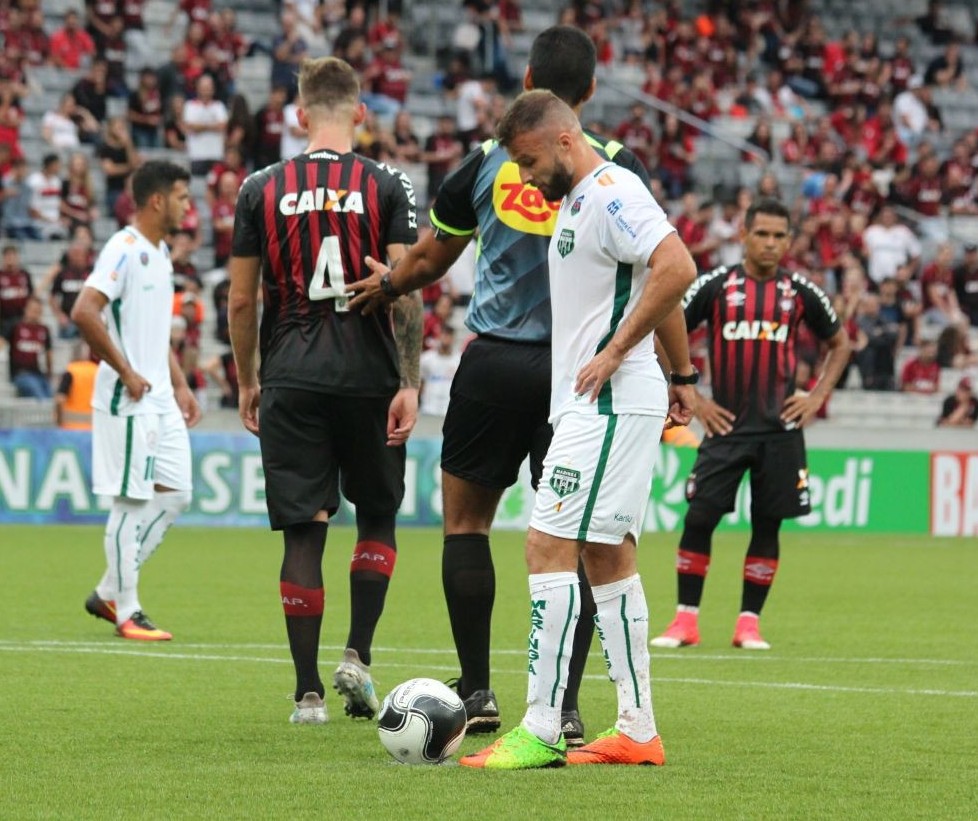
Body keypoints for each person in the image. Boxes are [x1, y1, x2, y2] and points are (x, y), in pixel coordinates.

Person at [346, 26, 654, 746]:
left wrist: (386, 281)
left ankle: (478, 687)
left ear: (525, 77)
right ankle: (569, 703)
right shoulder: (614, 165)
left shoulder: (486, 162)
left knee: (466, 523)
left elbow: (430, 257)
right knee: (574, 537)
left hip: (494, 364)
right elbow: (651, 264)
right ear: (589, 92)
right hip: (578, 371)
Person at [454, 89, 696, 769]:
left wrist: (618, 352)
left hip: (611, 399)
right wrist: (673, 374)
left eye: (529, 161)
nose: (525, 178)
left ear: (563, 139)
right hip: (601, 400)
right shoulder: (577, 201)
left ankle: (541, 723)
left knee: (544, 544)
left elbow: (676, 266)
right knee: (606, 555)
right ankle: (637, 728)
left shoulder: (613, 191)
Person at [227, 57, 422, 725]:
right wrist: (410, 380)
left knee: (304, 532)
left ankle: (307, 692)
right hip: (368, 376)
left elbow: (240, 299)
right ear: (361, 115)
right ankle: (358, 655)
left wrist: (249, 378)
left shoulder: (259, 187)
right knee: (377, 513)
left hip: (292, 375)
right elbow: (404, 289)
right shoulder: (389, 183)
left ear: (300, 115)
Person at [651, 198, 850, 652]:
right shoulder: (718, 285)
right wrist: (694, 396)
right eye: (762, 233)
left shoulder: (801, 290)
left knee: (768, 523)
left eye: (780, 236)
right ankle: (686, 621)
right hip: (725, 427)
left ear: (789, 241)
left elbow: (840, 344)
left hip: (780, 430)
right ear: (743, 235)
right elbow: (668, 325)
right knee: (699, 516)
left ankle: (748, 624)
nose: (770, 243)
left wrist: (817, 397)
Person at [71, 160, 200, 642]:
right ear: (157, 200)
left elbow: (153, 330)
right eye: (183, 196)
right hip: (130, 398)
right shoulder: (123, 250)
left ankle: (110, 588)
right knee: (129, 501)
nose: (189, 205)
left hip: (162, 397)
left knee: (177, 494)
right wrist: (126, 372)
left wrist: (181, 383)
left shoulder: (160, 251)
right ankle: (127, 609)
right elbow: (84, 310)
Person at [54, 341, 97, 430]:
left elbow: (60, 399)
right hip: (93, 428)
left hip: (71, 429)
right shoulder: (96, 371)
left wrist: (58, 421)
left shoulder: (71, 371)